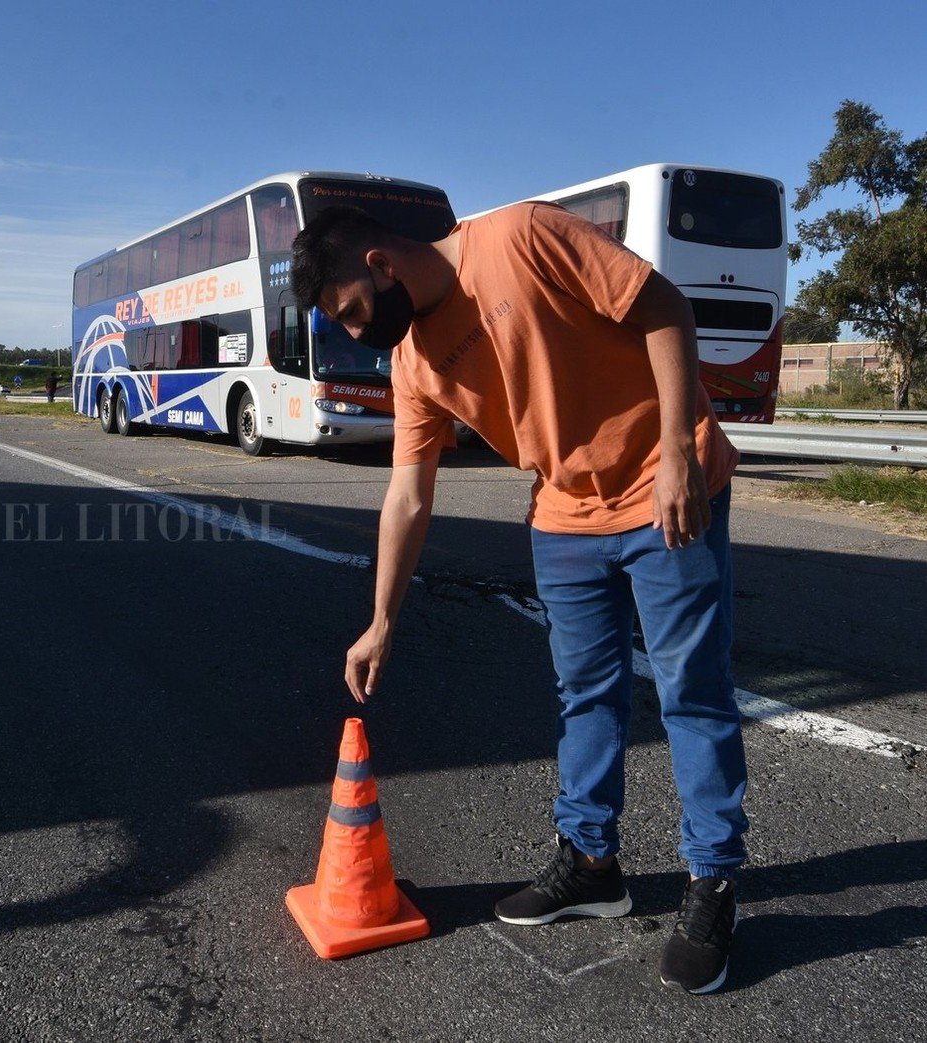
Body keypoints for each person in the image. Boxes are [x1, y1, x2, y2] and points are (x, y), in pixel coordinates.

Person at [292, 203, 746, 996]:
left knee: (691, 693)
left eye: (354, 311)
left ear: (380, 261)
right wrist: (380, 621)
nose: (361, 333)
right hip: (564, 517)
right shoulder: (413, 363)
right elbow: (407, 495)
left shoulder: (519, 237)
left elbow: (663, 305)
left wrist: (678, 447)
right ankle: (591, 864)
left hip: (665, 491)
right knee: (584, 694)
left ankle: (710, 881)